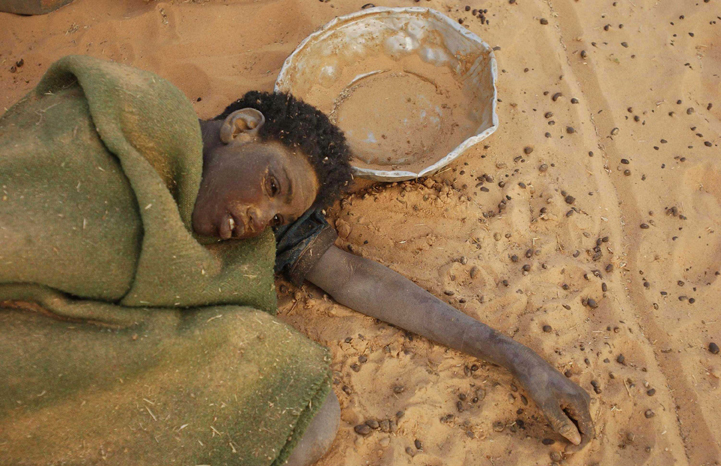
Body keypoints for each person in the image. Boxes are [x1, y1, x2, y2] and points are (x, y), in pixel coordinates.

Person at [0, 55, 593, 466]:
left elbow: (356, 278)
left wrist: (516, 357)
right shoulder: (137, 113)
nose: (262, 216)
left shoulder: (251, 231)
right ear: (240, 128)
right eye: (272, 185)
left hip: (41, 348)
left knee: (300, 403)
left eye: (280, 218)